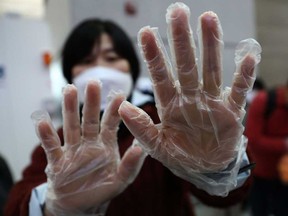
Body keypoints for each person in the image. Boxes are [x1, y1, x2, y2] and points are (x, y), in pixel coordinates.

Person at [5, 2, 262, 216]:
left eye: (112, 57)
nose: (100, 70)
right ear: (70, 74)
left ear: (132, 67)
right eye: (86, 61)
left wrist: (219, 165)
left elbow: (228, 197)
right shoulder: (59, 143)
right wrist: (53, 204)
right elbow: (15, 205)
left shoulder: (167, 126)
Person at [245, 79, 288, 216]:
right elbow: (253, 139)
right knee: (259, 210)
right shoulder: (263, 101)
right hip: (261, 173)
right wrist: (284, 144)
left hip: (285, 176)